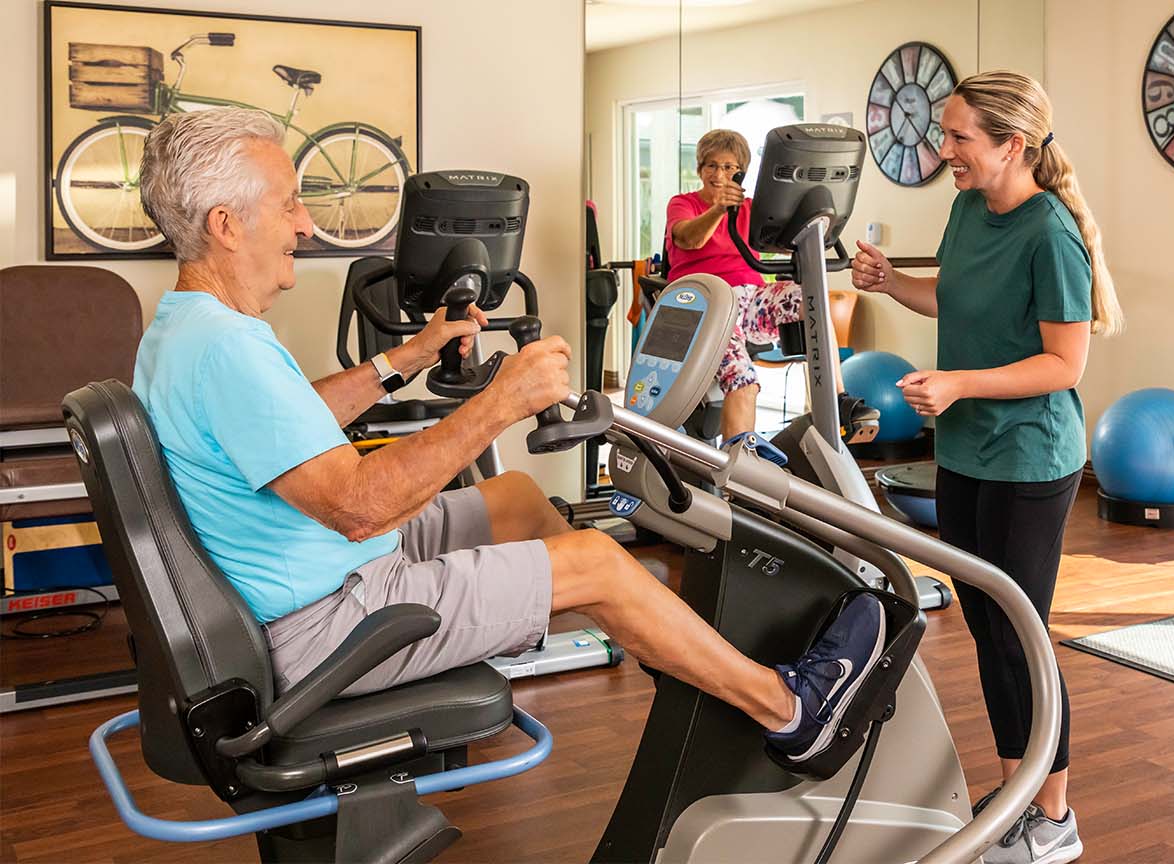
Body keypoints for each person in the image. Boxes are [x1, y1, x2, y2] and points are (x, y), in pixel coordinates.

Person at [131, 106, 885, 767]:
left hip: (320, 570)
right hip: (328, 619)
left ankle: (690, 662)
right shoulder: (227, 347)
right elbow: (359, 507)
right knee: (594, 560)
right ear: (226, 226)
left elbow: (289, 419)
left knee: (520, 498)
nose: (304, 225)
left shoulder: (189, 329)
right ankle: (793, 715)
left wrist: (404, 360)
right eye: (290, 205)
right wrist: (502, 402)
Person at [851, 71, 1123, 864]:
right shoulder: (970, 207)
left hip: (1031, 458)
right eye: (945, 133)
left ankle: (1055, 815)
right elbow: (958, 297)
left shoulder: (1051, 234)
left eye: (960, 136)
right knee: (986, 629)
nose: (946, 150)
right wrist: (892, 283)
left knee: (1020, 637)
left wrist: (961, 382)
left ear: (1013, 144)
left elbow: (1064, 364)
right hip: (966, 449)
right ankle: (1017, 794)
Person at [665, 129, 872, 449]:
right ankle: (740, 466)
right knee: (743, 381)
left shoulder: (751, 209)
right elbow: (689, 239)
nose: (719, 175)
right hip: (708, 303)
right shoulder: (683, 204)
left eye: (730, 167)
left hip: (750, 301)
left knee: (809, 297)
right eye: (712, 166)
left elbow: (786, 240)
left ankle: (837, 399)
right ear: (700, 170)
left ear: (742, 173)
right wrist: (719, 210)